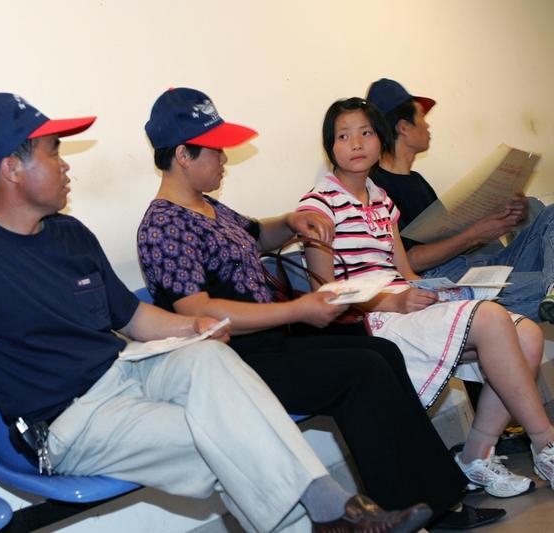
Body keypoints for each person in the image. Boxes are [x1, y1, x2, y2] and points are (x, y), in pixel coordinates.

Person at [0, 92, 431, 533]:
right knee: (224, 437)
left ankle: (333, 512)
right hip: (68, 421)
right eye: (53, 152)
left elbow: (134, 321)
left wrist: (196, 326)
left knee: (211, 359)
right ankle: (335, 511)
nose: (66, 167)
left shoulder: (69, 234)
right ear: (12, 167)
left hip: (128, 371)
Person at [136, 87, 503, 529]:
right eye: (215, 149)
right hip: (233, 361)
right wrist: (297, 311)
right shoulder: (164, 225)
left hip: (271, 343)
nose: (224, 159)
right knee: (361, 371)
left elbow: (258, 235)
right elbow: (200, 314)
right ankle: (404, 513)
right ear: (183, 154)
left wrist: (292, 222)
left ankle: (437, 502)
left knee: (382, 353)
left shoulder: (207, 207)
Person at [299, 96, 554, 501]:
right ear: (330, 146)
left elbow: (407, 273)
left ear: (380, 139)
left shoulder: (382, 200)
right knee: (491, 318)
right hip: (373, 319)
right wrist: (390, 302)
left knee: (528, 335)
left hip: (407, 304)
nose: (356, 143)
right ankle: (546, 444)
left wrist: (443, 292)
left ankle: (475, 456)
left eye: (365, 132)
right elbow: (324, 294)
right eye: (343, 136)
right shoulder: (318, 206)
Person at [364, 78, 554, 323]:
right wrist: (476, 233)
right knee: (540, 283)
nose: (427, 126)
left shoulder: (417, 180)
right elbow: (410, 260)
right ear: (403, 127)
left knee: (549, 213)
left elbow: (447, 236)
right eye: (421, 117)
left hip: (480, 263)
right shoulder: (378, 187)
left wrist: (501, 216)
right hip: (446, 277)